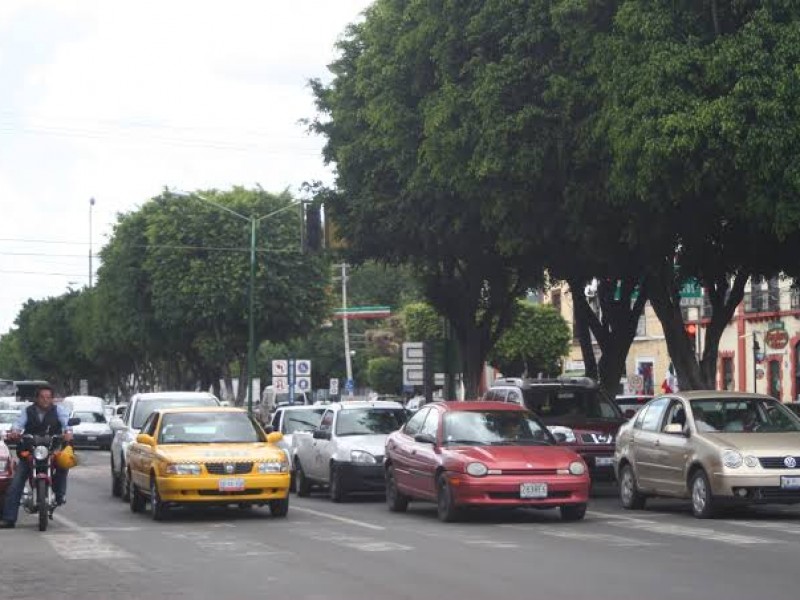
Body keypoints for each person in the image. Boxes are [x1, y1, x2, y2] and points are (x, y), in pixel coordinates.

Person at [1, 385, 73, 528]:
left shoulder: (59, 410)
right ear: (36, 398)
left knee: (63, 466)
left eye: (48, 397)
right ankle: (9, 518)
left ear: (52, 399)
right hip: (30, 450)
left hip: (52, 449)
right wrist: (15, 432)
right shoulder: (28, 411)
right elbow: (18, 424)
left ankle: (60, 495)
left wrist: (68, 432)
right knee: (16, 481)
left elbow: (66, 424)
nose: (45, 400)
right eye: (42, 397)